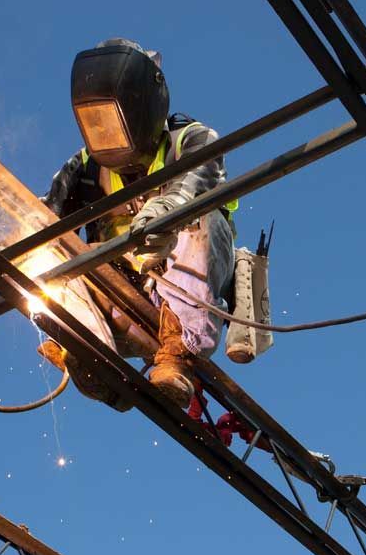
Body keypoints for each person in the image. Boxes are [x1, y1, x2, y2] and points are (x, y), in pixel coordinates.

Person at [38, 37, 235, 407]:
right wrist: (5, 247)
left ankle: (178, 356)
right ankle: (86, 347)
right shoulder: (84, 167)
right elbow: (45, 217)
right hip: (120, 295)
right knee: (52, 254)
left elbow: (195, 181)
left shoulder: (191, 140)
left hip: (182, 297)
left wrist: (164, 216)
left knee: (201, 216)